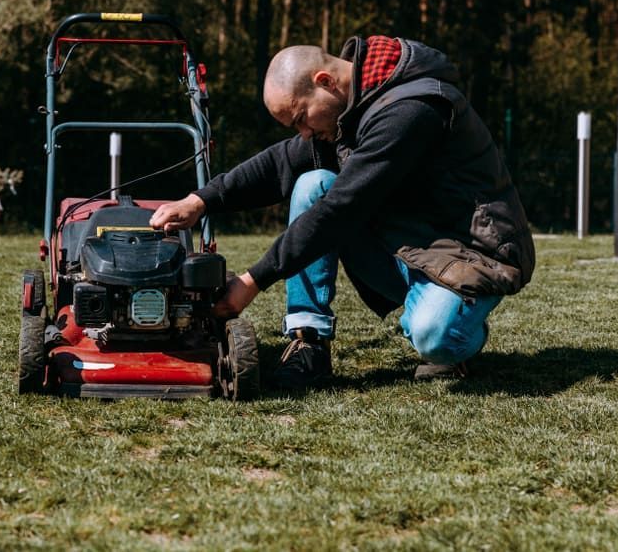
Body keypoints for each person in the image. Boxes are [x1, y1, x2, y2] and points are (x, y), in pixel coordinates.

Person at [150, 35, 535, 390]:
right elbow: (279, 164)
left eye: (300, 119)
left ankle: (462, 330)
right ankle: (308, 341)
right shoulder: (350, 109)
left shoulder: (411, 111)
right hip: (413, 245)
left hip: (470, 254)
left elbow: (340, 210)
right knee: (312, 181)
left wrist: (252, 281)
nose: (302, 133)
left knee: (435, 334)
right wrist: (200, 201)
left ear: (325, 82)